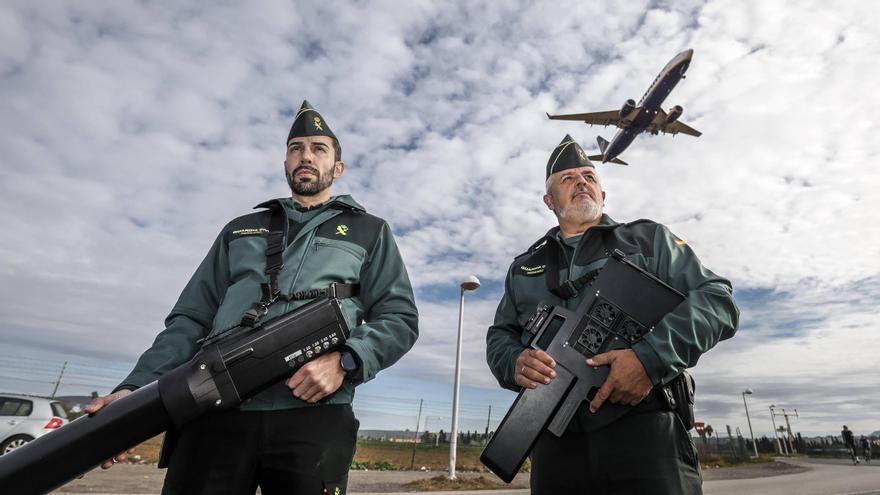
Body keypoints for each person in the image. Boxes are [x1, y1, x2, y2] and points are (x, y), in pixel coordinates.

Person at [85, 101, 419, 494]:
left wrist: (346, 360)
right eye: (295, 148)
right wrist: (132, 390)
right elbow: (189, 320)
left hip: (313, 414)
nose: (305, 156)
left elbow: (399, 317)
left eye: (318, 148)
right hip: (215, 409)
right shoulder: (241, 230)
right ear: (285, 164)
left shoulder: (369, 231)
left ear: (337, 168)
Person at [486, 135, 739, 494]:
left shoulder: (648, 240)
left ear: (603, 196)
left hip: (644, 429)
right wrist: (514, 361)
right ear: (549, 201)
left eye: (589, 176)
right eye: (568, 178)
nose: (581, 182)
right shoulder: (525, 267)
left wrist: (649, 359)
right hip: (556, 439)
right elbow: (500, 335)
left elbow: (717, 301)